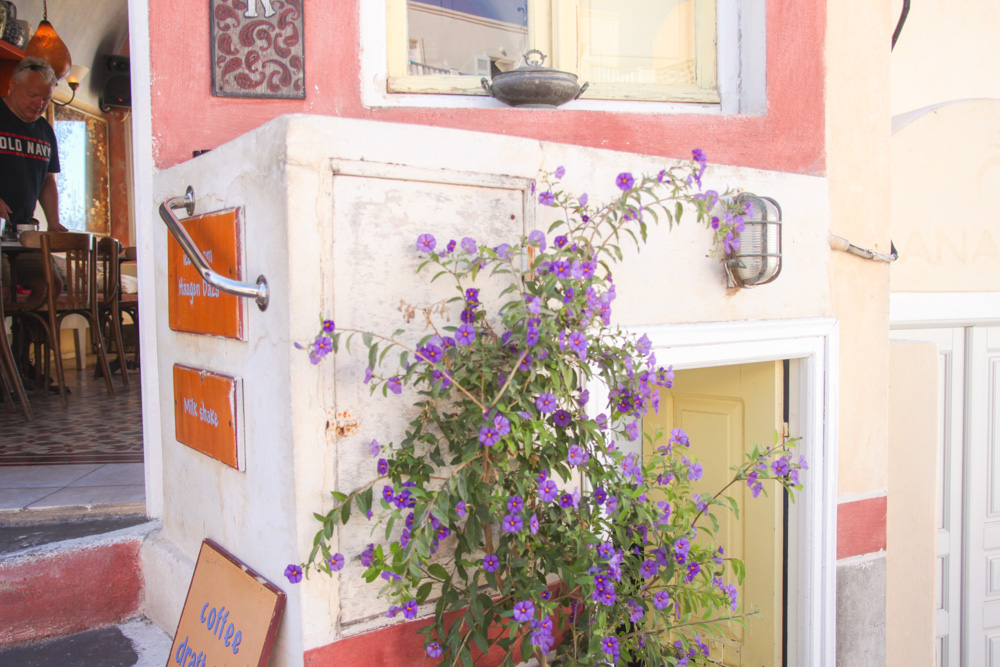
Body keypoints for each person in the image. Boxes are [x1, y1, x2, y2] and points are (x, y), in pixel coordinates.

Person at [0, 57, 67, 305]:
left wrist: (54, 220)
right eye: (32, 95)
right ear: (12, 86)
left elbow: (48, 179)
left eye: (46, 99)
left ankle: (23, 342)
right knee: (4, 288)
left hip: (23, 232)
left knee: (50, 285)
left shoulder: (45, 130)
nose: (39, 104)